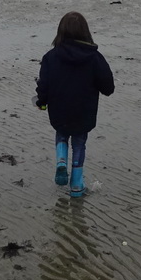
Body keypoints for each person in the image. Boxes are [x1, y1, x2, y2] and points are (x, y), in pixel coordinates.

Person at [35, 12, 115, 197]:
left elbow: (44, 85)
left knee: (61, 134)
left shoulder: (50, 57)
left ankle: (61, 161)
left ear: (60, 32)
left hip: (59, 111)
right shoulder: (95, 58)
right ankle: (77, 186)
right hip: (84, 111)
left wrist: (41, 102)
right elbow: (108, 87)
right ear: (86, 32)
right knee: (79, 143)